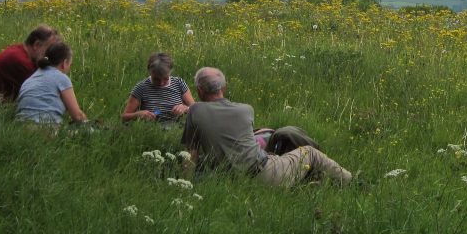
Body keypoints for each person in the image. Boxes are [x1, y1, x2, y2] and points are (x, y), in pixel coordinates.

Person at [182, 67, 351, 187]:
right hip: (263, 174)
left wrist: (185, 183)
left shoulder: (195, 111)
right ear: (224, 87)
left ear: (199, 90)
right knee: (311, 152)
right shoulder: (245, 110)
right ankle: (351, 181)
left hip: (227, 178)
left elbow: (192, 153)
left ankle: (313, 180)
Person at [0, 25, 58, 101]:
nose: (50, 55)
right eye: (49, 49)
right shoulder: (21, 61)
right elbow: (45, 94)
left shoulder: (19, 51)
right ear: (36, 45)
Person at [15, 41, 88, 125]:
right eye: (70, 65)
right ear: (64, 63)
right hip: (45, 128)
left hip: (20, 127)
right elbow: (78, 116)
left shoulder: (30, 79)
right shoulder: (61, 78)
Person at [121, 52, 195, 123]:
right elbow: (124, 117)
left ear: (170, 72)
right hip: (151, 131)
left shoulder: (179, 83)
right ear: (150, 72)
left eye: (165, 78)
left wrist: (185, 108)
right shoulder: (141, 87)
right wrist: (137, 115)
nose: (161, 83)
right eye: (156, 79)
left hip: (178, 129)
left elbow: (196, 109)